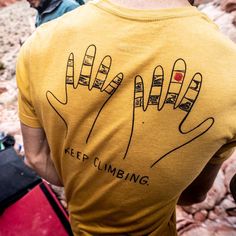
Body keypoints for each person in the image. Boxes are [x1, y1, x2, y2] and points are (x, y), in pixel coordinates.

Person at [16, 0, 236, 235]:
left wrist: (88, 174)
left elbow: (37, 158)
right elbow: (193, 195)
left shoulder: (39, 44)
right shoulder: (229, 71)